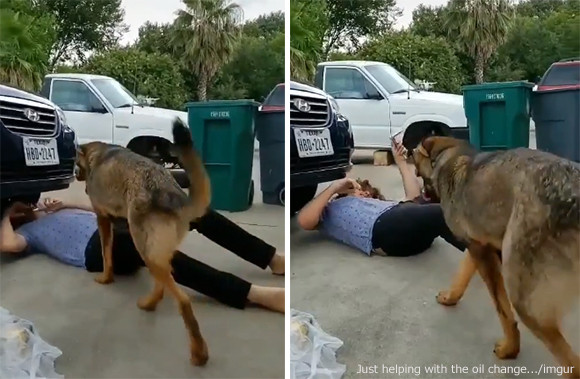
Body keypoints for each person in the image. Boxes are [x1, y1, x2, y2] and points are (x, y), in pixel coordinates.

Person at [1, 199, 285, 313]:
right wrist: (6, 210)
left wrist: (63, 204)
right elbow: (9, 245)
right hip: (98, 251)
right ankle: (251, 293)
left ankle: (271, 258)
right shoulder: (31, 235)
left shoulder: (54, 212)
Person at [297, 139, 466, 257]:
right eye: (360, 192)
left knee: (431, 205)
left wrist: (400, 162)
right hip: (383, 232)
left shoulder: (382, 206)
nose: (364, 194)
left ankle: (481, 250)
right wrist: (333, 188)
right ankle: (487, 255)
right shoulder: (329, 209)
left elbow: (414, 198)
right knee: (442, 212)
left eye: (368, 194)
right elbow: (304, 221)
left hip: (411, 240)